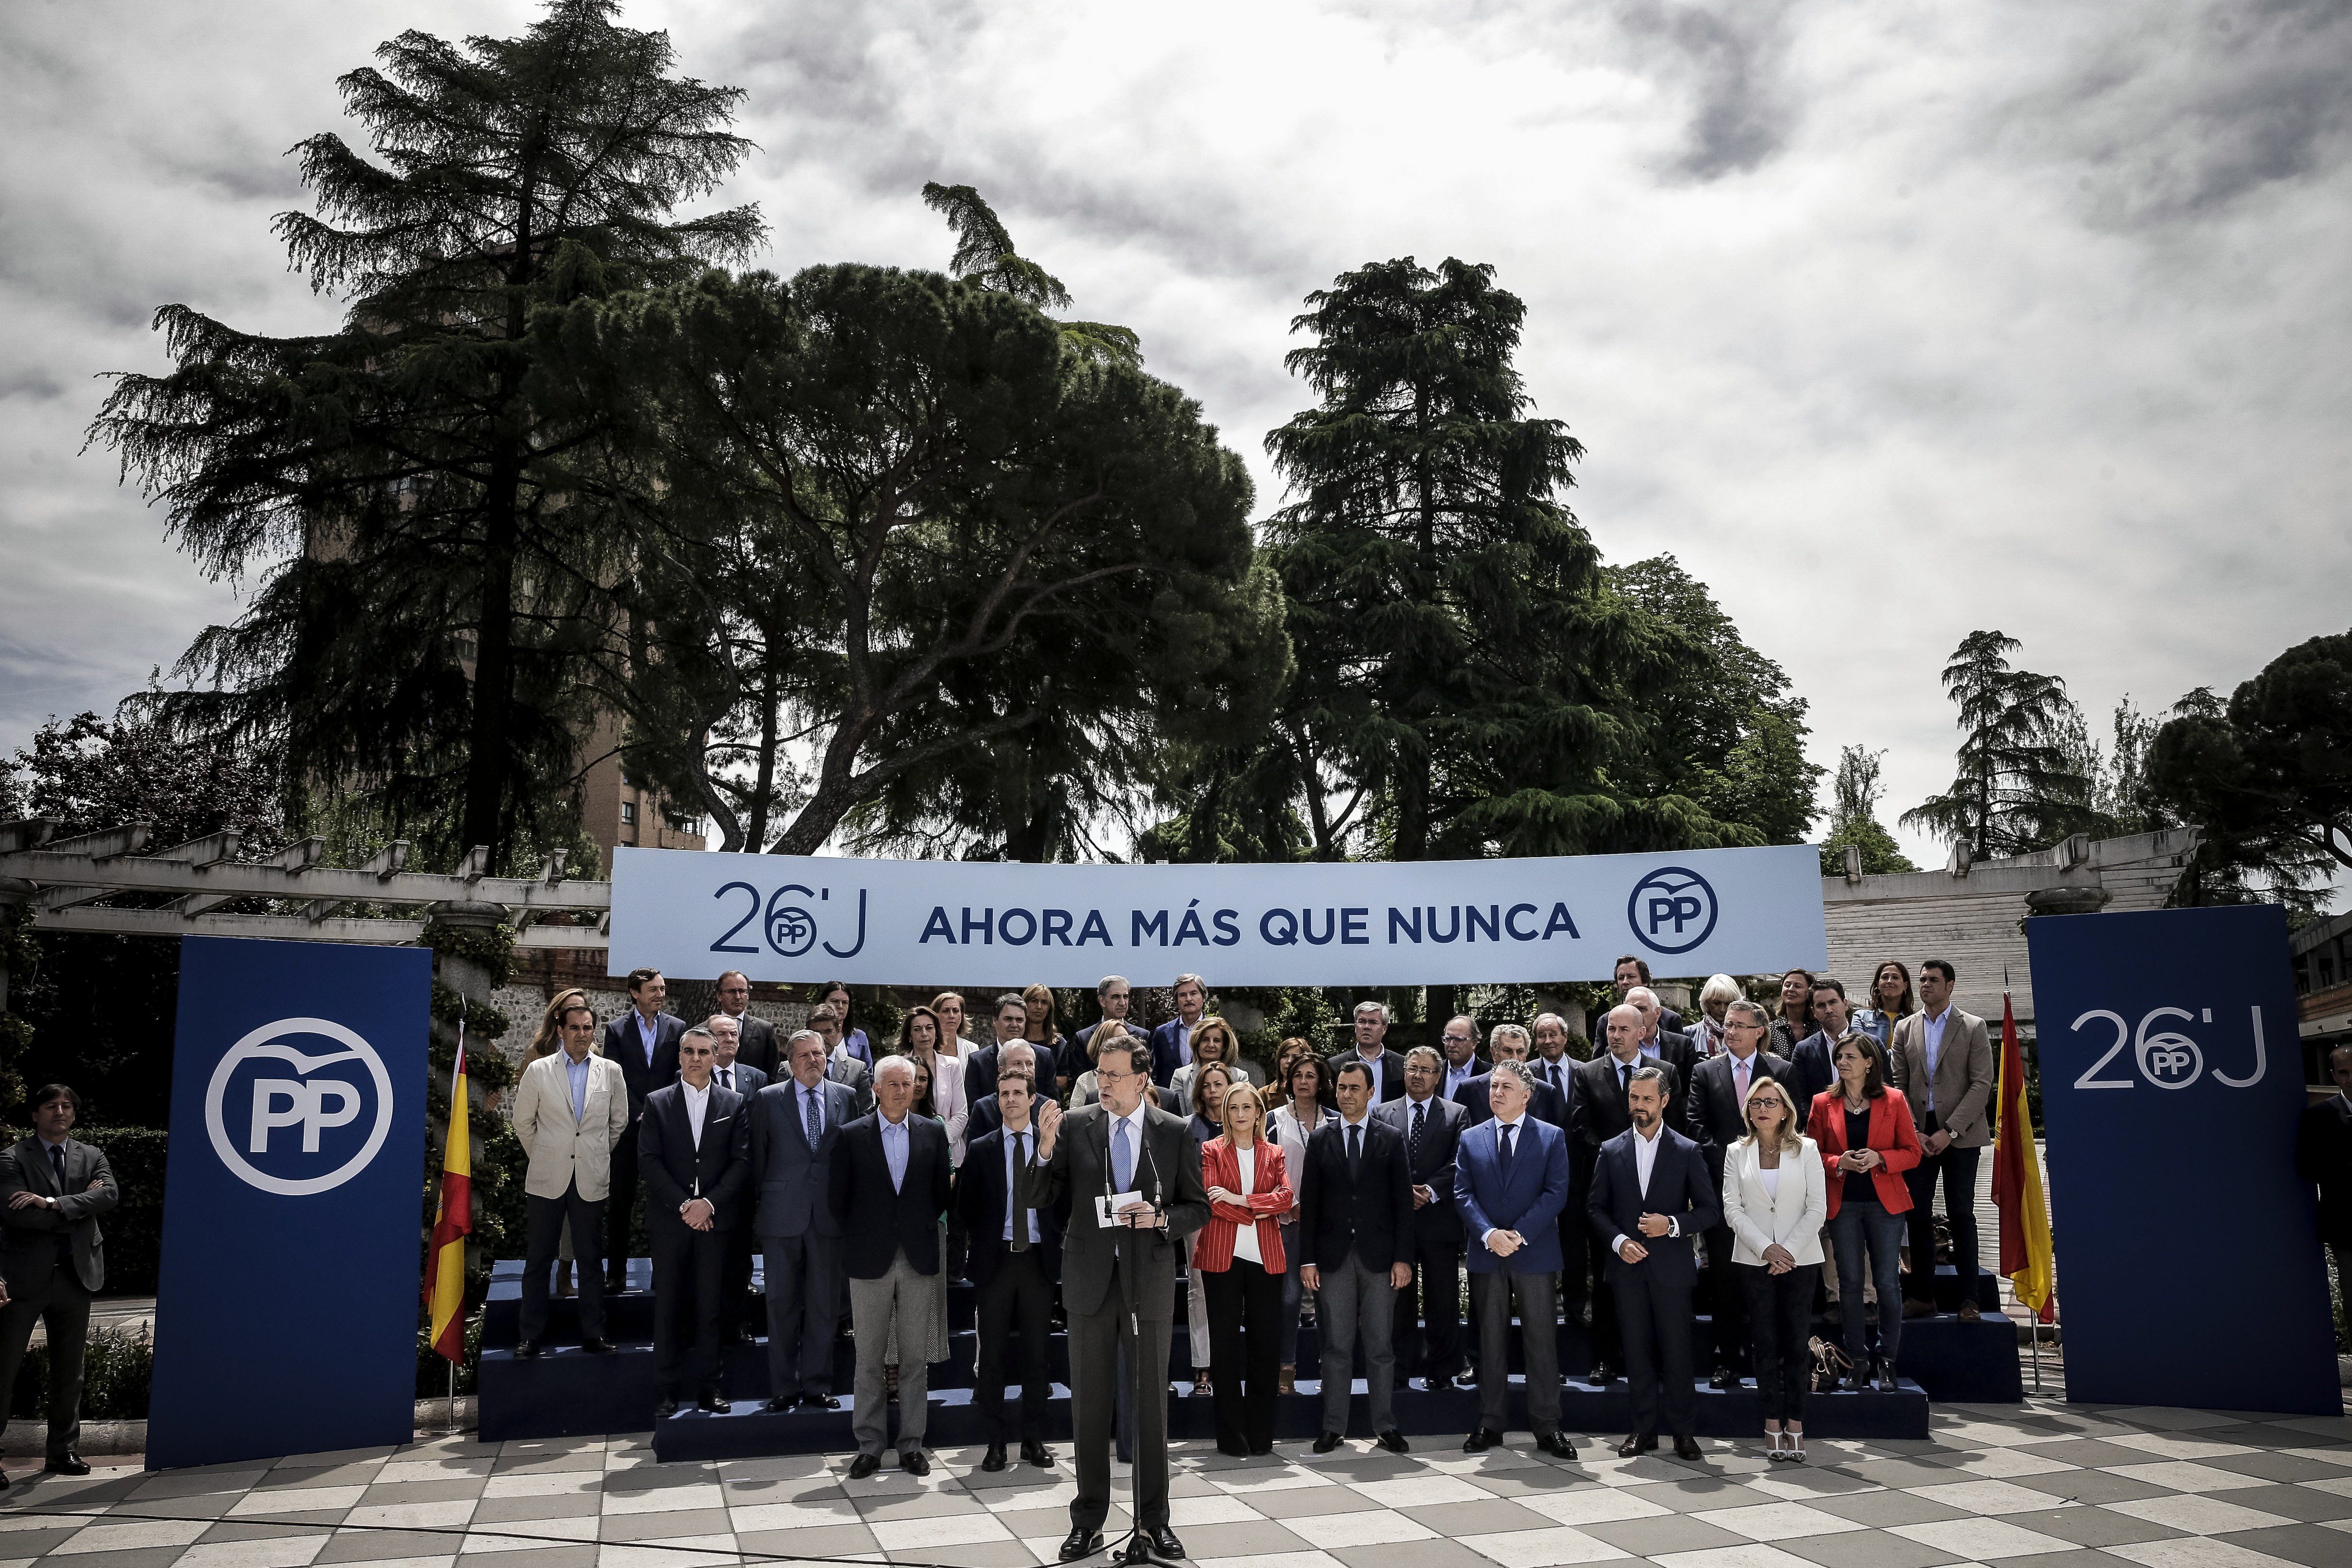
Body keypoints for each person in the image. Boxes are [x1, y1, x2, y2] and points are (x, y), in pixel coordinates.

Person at [1022, 1028, 1209, 1566]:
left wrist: (1163, 1219)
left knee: (1151, 1405)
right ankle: (1087, 1522)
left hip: (1147, 1280)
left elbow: (1198, 1207)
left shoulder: (1174, 1131)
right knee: (1090, 1407)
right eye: (1100, 1073)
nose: (1103, 1083)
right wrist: (1044, 1148)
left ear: (1142, 1078)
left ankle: (1155, 1523)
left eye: (1114, 1074)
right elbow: (1040, 1195)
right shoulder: (1077, 1124)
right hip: (1089, 1280)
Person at [830, 1056, 953, 1478]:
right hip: (869, 1260)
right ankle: (869, 1444)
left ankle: (911, 1445)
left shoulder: (932, 1134)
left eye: (909, 1083)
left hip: (918, 1257)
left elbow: (941, 1194)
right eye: (894, 1083)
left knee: (914, 1357)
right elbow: (837, 1199)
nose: (903, 1090)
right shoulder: (850, 1136)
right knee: (869, 1358)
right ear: (877, 1089)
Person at [1588, 1066, 1718, 1460]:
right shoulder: (1610, 1151)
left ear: (1664, 1101)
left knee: (1677, 1352)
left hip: (1672, 1271)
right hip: (1627, 1270)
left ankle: (1683, 1433)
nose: (1639, 1106)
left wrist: (1673, 1225)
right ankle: (1642, 1430)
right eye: (1633, 1098)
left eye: (1647, 1099)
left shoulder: (1686, 1150)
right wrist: (1619, 1240)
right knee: (1636, 1351)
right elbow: (1594, 1209)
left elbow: (1711, 1212)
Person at [1454, 1061, 1574, 1458]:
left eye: (1506, 1087)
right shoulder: (1471, 1138)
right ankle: (1490, 1423)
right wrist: (1489, 1235)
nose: (1496, 1093)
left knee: (1541, 1341)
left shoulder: (1551, 1137)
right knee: (1489, 1342)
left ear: (1526, 1095)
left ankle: (1547, 1426)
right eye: (1493, 1086)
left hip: (1533, 1252)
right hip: (1487, 1253)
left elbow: (1555, 1194)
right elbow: (1462, 1194)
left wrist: (1518, 1235)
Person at [0, 1085, 118, 1480]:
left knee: (70, 1371)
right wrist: (80, 1205)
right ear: (34, 1114)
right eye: (51, 1106)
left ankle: (63, 1453)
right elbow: (18, 1216)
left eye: (67, 1105)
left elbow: (110, 1195)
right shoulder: (12, 1158)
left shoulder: (92, 1155)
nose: (60, 1112)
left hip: (75, 1276)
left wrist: (50, 1203)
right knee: (4, 1368)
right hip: (22, 1280)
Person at [1298, 1057, 1414, 1454]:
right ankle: (1334, 1427)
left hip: (1380, 1259)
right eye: (1341, 1088)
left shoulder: (1391, 1138)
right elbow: (1309, 1205)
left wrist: (1403, 1258)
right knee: (1336, 1346)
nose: (1345, 1095)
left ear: (1370, 1093)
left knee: (1381, 1346)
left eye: (1353, 1089)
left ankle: (1385, 1425)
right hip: (1332, 1259)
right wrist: (1307, 1259)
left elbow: (1403, 1203)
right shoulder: (1320, 1139)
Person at [640, 1026, 751, 1418]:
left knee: (710, 1308)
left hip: (715, 1224)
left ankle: (710, 1388)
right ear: (680, 1055)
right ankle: (666, 1391)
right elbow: (649, 1161)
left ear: (716, 1055)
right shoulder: (657, 1103)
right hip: (672, 1223)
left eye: (704, 1051)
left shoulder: (734, 1103)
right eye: (688, 1051)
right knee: (669, 1306)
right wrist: (687, 1205)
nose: (696, 1058)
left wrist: (709, 1204)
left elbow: (741, 1162)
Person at [959, 1064, 1064, 1472]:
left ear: (1032, 1099)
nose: (1010, 1100)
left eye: (1018, 1093)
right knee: (993, 1357)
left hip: (1037, 1261)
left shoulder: (1051, 1144)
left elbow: (1063, 1200)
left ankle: (1033, 1440)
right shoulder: (983, 1147)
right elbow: (966, 1206)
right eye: (1004, 1094)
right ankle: (996, 1442)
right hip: (996, 1261)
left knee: (1038, 1355)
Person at [511, 998, 629, 1358]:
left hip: (590, 1178)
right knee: (538, 1259)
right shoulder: (539, 1071)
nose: (582, 1034)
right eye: (575, 1028)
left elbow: (618, 1123)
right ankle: (530, 1336)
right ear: (560, 1031)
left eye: (588, 1028)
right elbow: (522, 1123)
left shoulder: (611, 1071)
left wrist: (590, 1156)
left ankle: (593, 1334)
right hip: (547, 1177)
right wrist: (548, 1154)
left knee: (591, 1259)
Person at [751, 1030, 858, 1413]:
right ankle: (783, 1388)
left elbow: (852, 1157)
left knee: (824, 1305)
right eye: (805, 1056)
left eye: (818, 1053)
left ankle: (816, 1385)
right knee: (780, 1304)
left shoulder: (846, 1097)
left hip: (828, 1219)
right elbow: (758, 1158)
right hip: (781, 1217)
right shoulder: (767, 1099)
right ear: (790, 1063)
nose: (813, 1060)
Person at [1689, 1001, 1792, 1390]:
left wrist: (1758, 1162)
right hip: (1722, 1194)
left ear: (1759, 1031)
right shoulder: (1704, 1071)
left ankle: (1774, 1359)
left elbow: (1793, 1126)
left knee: (1769, 1277)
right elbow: (1695, 1125)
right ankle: (1727, 1358)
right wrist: (1734, 1161)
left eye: (1739, 1026)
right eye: (1727, 1026)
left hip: (1770, 1194)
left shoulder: (1781, 1072)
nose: (1729, 1032)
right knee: (1725, 1282)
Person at [1808, 1034, 1921, 1390]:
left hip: (1884, 1204)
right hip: (1843, 1205)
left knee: (1887, 1283)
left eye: (1850, 1056)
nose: (1842, 1062)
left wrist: (1880, 1158)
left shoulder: (1893, 1099)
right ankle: (1856, 1361)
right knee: (1850, 1284)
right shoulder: (1822, 1102)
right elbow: (1811, 1155)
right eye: (1839, 1056)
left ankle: (1887, 1360)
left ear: (1869, 1062)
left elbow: (1912, 1152)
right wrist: (1837, 1162)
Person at [1723, 1075, 1826, 1461]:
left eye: (1770, 1102)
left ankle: (1796, 1425)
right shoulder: (1736, 1151)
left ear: (1785, 1110)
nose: (1762, 1109)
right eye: (1755, 1103)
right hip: (1754, 1260)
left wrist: (1788, 1252)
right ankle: (1770, 1423)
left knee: (1796, 1345)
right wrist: (1767, 1249)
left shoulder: (1808, 1149)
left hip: (1800, 1261)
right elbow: (1732, 1209)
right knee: (1764, 1344)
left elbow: (1818, 1206)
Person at [1888, 959, 1993, 1322]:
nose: (1925, 985)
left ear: (1950, 985)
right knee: (1916, 1215)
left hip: (1960, 1135)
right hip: (1917, 1133)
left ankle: (1969, 1300)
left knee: (1961, 1214)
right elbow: (1897, 1085)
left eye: (1933, 980)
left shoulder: (1973, 1026)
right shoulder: (1904, 1028)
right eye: (1921, 980)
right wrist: (1914, 1131)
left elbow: (1982, 1084)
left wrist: (1949, 1132)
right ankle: (1922, 1296)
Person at [1197, 1080, 1294, 1456]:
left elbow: (1285, 1199)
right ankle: (1230, 1437)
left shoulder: (1274, 1153)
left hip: (1265, 1259)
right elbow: (1210, 1201)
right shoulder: (1210, 1150)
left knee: (1264, 1348)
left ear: (1258, 1114)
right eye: (1233, 1107)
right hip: (1221, 1258)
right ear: (1226, 1113)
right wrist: (1260, 1208)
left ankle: (1260, 1435)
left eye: (1247, 1108)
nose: (1240, 1114)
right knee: (1223, 1349)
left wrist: (1239, 1198)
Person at [1375, 1046, 1469, 1393]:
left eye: (1426, 1070)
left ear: (1438, 1076)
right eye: (1412, 1068)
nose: (1417, 1075)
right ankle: (1399, 1371)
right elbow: (1377, 1162)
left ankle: (1441, 1371)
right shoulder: (1383, 1113)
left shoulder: (1456, 1114)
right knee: (1398, 1301)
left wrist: (1428, 1190)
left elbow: (1461, 1160)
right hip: (1397, 1222)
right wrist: (1403, 1193)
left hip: (1439, 1220)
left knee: (1442, 1301)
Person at [602, 967, 684, 1292]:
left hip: (664, 1134)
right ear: (635, 993)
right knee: (620, 1205)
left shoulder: (678, 1028)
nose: (660, 995)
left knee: (664, 1205)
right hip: (627, 1133)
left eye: (662, 989)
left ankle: (662, 1273)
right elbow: (613, 1076)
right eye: (653, 990)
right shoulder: (616, 1030)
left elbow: (680, 1075)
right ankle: (616, 1275)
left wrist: (660, 1115)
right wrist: (640, 1113)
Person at [1268, 1049, 1337, 1394]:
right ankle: (1285, 1369)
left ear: (1322, 1081)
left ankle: (1331, 1372)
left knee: (1328, 1299)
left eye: (1310, 1075)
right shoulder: (1272, 1119)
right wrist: (1291, 1204)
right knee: (1289, 1298)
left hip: (1327, 1225)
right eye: (1297, 1075)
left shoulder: (1336, 1121)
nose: (1303, 1081)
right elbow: (1265, 1171)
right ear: (1288, 1080)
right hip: (1286, 1222)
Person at [1180, 1062, 1235, 1399]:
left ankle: (1227, 1364)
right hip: (1199, 1217)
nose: (1213, 1091)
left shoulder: (1244, 1123)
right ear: (1199, 1091)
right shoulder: (1187, 1128)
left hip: (1239, 1216)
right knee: (1199, 1289)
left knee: (1233, 1288)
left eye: (1220, 1084)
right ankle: (1202, 1367)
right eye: (1208, 1085)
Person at [2301, 1046, 2352, 1301]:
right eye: (2344, 1072)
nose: (2351, 1079)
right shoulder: (2318, 1117)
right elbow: (2307, 1168)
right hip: (2347, 1228)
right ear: (2333, 1076)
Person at [1454, 1024, 1569, 1128]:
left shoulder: (1545, 1092)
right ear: (1494, 1052)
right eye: (1508, 1051)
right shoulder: (1469, 1089)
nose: (1514, 1057)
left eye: (1520, 1051)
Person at [892, 1005, 962, 1157]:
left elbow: (961, 1115)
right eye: (917, 1029)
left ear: (937, 1032)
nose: (924, 1034)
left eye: (929, 1028)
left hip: (945, 1151)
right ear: (909, 1035)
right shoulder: (897, 1066)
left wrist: (937, 1141)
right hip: (904, 1149)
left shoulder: (954, 1066)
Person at [1625, 987, 1700, 1107]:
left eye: (1642, 1009)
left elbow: (1693, 1092)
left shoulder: (1682, 1046)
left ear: (1657, 1013)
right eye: (1631, 1009)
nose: (1636, 1014)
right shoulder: (1618, 1048)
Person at [1785, 978, 1849, 1112]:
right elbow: (1799, 1097)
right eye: (1821, 1005)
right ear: (1814, 1012)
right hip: (1820, 1127)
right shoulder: (1804, 1050)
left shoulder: (1871, 1043)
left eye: (1833, 1002)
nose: (1828, 1010)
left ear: (1845, 1004)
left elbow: (1885, 1089)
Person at [1169, 1014, 1262, 1102]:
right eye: (1205, 1040)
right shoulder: (1181, 1076)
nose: (1211, 1045)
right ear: (1197, 1044)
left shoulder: (1240, 1077)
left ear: (1225, 1046)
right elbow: (1176, 1115)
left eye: (1217, 1041)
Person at [1331, 1000, 1410, 1103]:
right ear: (1355, 1027)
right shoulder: (1335, 1066)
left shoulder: (1401, 1065)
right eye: (1362, 1021)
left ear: (1384, 1029)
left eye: (1373, 1022)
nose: (1367, 1027)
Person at [1070, 975, 1139, 1092]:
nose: (1123, 1003)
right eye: (1116, 997)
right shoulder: (1083, 1038)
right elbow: (1079, 1081)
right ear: (1102, 1001)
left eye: (1126, 997)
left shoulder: (1141, 1036)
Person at [964, 992, 1029, 1112]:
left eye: (1019, 1020)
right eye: (1008, 1019)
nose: (1014, 1025)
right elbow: (973, 1108)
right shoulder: (978, 1062)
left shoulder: (1043, 1057)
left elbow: (1051, 1103)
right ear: (995, 1020)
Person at [812, 1002, 876, 1116]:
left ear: (838, 1030)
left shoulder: (857, 1070)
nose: (822, 1038)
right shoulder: (791, 1068)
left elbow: (864, 1117)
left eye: (828, 1032)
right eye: (816, 1033)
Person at [1150, 973, 1212, 1087]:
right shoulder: (1162, 1033)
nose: (1189, 999)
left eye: (1194, 993)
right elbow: (1156, 1074)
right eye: (1183, 995)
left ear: (1203, 998)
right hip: (1170, 1099)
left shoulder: (1215, 1031)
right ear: (1177, 1000)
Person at [715, 971, 779, 1077]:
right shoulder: (706, 1029)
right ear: (719, 996)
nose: (738, 996)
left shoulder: (764, 1030)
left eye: (742, 991)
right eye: (731, 992)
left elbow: (772, 1073)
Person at [1852, 961, 1914, 1049]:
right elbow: (1860, 1049)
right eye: (1885, 977)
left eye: (1895, 978)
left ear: (1905, 985)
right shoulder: (1861, 1017)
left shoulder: (1915, 1021)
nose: (1889, 981)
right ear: (1878, 984)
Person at [1615, 955, 1685, 1034]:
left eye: (1631, 977)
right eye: (1621, 978)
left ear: (1645, 982)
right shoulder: (1607, 1021)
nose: (1625, 982)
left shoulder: (1670, 1020)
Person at [1688, 974, 1744, 1059]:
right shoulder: (1689, 1035)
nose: (1722, 1009)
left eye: (1728, 1004)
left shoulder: (1747, 1034)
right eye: (1717, 1003)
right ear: (1706, 1003)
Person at [818, 981, 873, 1066]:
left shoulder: (860, 1037)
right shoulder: (812, 1033)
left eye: (845, 1002)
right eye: (835, 1001)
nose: (840, 1006)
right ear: (823, 1003)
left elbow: (868, 1073)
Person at [1437, 1015, 1488, 1101]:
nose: (1451, 1045)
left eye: (1458, 1040)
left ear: (1474, 1043)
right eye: (1448, 1039)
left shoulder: (1489, 1074)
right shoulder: (1435, 1071)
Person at [1523, 1013, 1576, 1094]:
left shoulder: (1582, 1071)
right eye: (1542, 1036)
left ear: (1565, 1037)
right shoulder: (1526, 1072)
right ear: (1536, 1040)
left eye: (1553, 1035)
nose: (1548, 1041)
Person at [1769, 968, 1816, 1058]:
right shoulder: (1771, 1030)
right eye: (1787, 985)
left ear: (1809, 993)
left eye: (1798, 986)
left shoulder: (1821, 1027)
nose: (1791, 989)